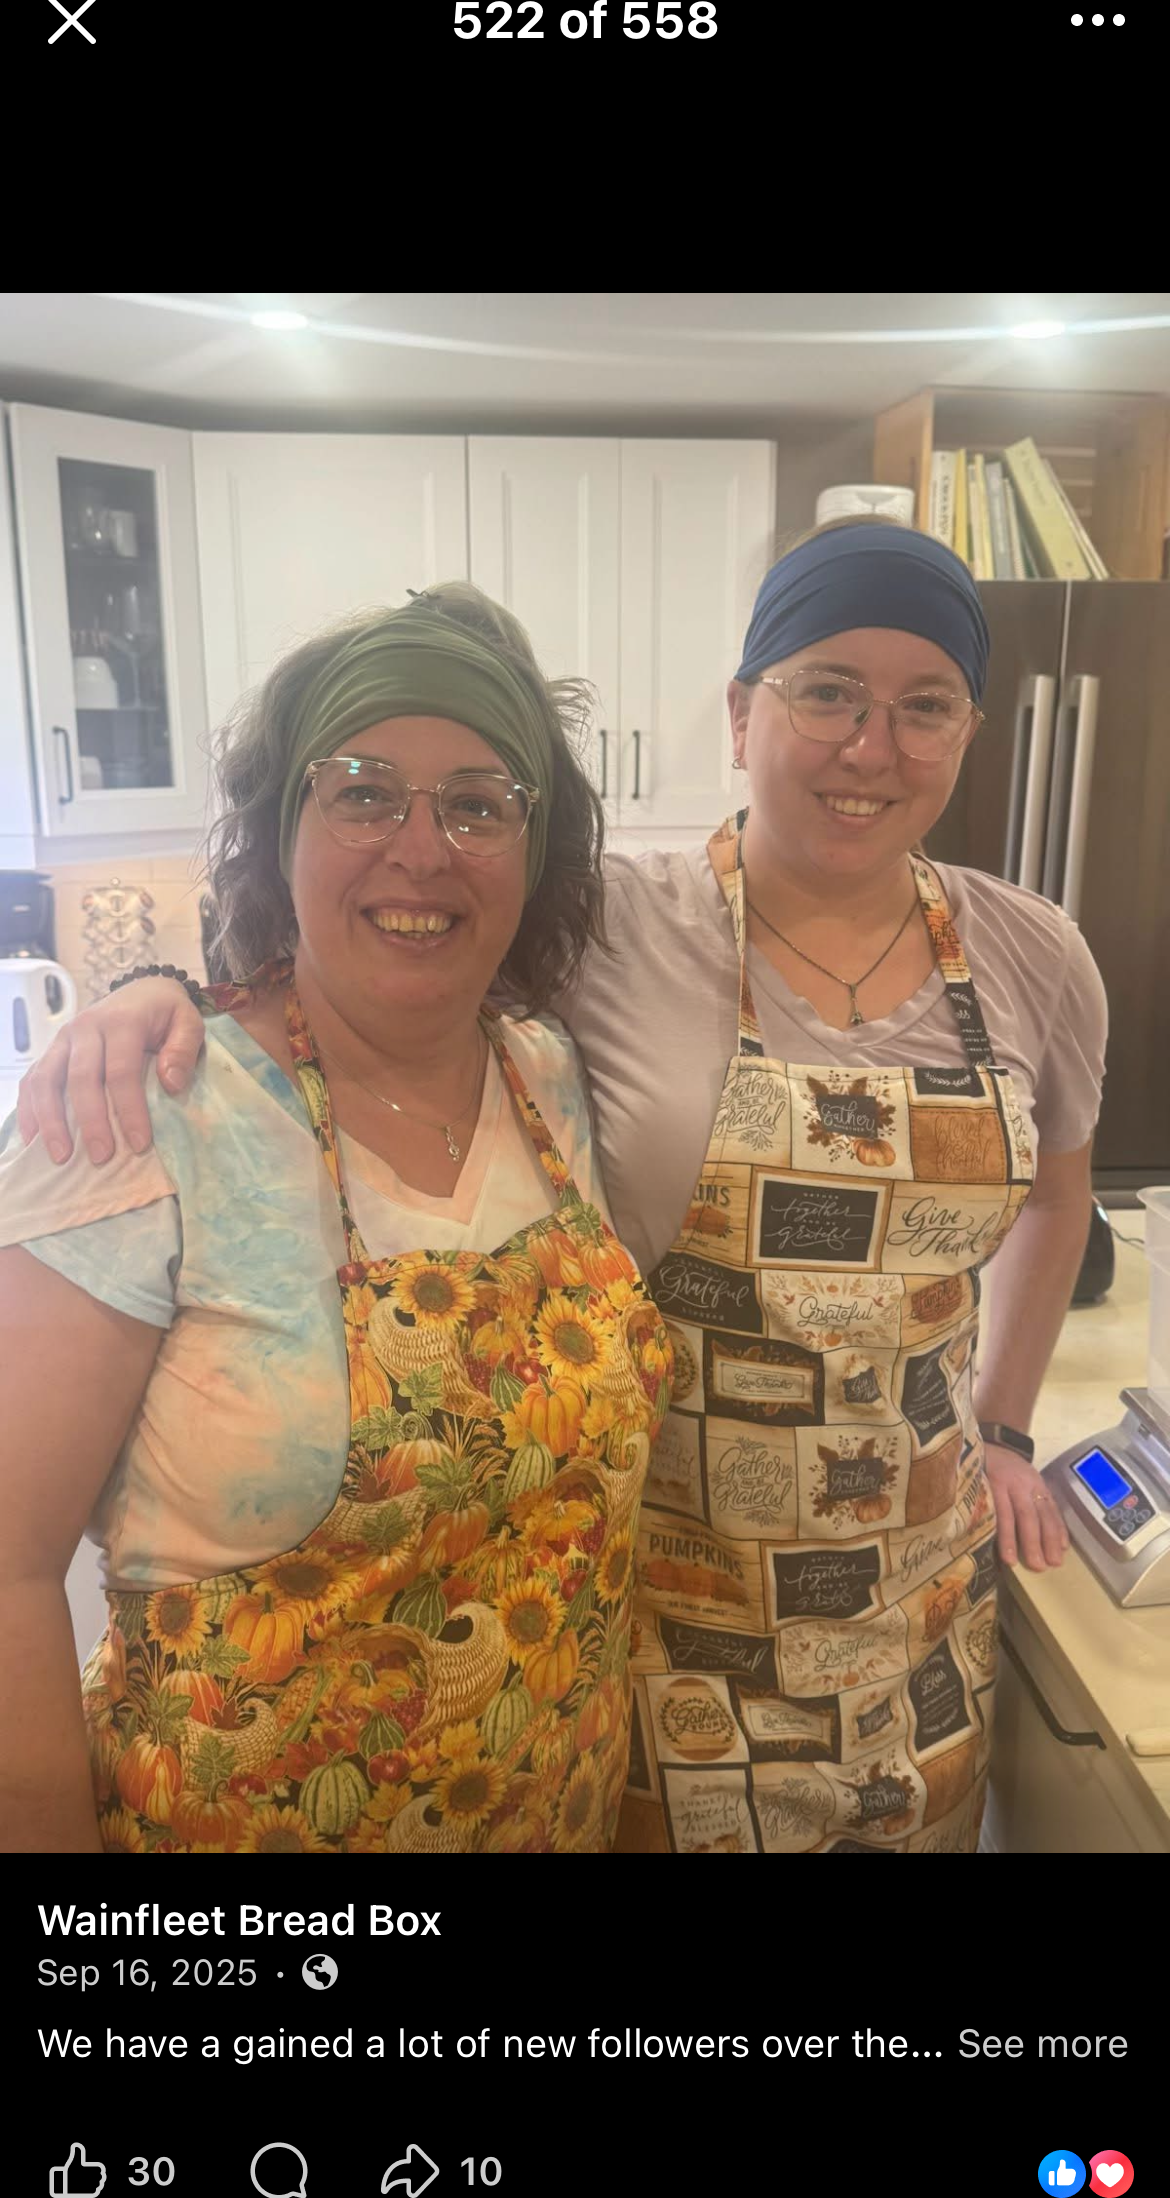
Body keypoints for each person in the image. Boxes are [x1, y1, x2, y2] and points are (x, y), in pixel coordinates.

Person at [16, 522, 1108, 1856]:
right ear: (740, 713)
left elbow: (1060, 1194)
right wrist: (151, 995)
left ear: (968, 729)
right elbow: (358, 962)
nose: (869, 745)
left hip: (902, 1631)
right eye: (827, 690)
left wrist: (1003, 1425)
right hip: (668, 1662)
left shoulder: (1024, 956)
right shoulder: (616, 931)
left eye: (924, 704)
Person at [0, 585, 672, 1855]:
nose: (421, 848)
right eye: (362, 792)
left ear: (533, 853)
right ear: (280, 832)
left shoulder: (551, 1076)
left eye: (478, 803)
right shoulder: (143, 1118)